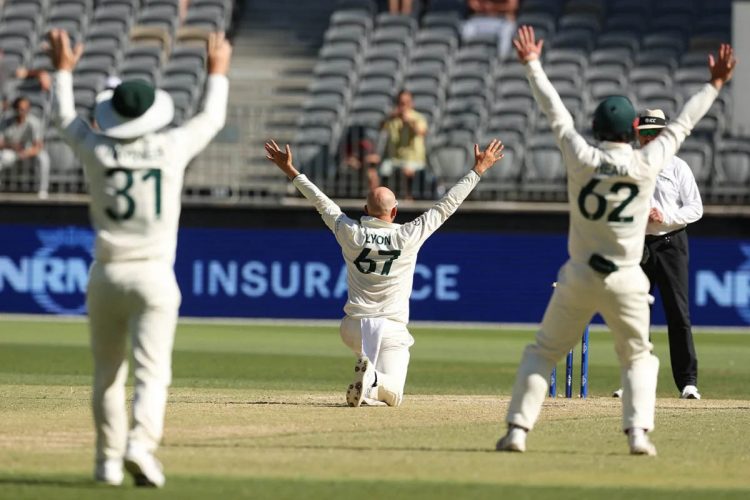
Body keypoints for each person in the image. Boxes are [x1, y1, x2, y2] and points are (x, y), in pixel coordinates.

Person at [495, 26, 735, 456]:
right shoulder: (648, 162)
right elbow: (683, 125)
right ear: (633, 133)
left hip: (581, 272)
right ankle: (638, 434)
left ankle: (517, 430)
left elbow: (555, 112)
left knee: (543, 351)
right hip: (627, 276)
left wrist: (532, 63)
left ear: (597, 129)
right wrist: (715, 84)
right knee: (639, 357)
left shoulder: (581, 157)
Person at [46, 28, 232, 486]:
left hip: (106, 274)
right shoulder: (170, 148)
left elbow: (63, 118)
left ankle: (106, 462)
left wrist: (63, 70)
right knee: (152, 374)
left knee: (108, 375)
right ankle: (139, 447)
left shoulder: (96, 149)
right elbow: (210, 117)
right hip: (153, 276)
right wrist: (217, 73)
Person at [264, 138, 504, 407]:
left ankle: (369, 384)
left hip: (352, 327)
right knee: (396, 393)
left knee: (376, 387)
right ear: (395, 211)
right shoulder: (408, 235)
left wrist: (291, 171)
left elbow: (322, 202)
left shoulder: (351, 233)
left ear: (366, 211)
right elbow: (446, 205)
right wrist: (478, 170)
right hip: (390, 328)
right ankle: (374, 378)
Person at [612, 109, 704, 400]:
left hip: (670, 244)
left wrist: (665, 216)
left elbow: (695, 209)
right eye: (645, 134)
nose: (650, 139)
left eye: (656, 134)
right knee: (636, 316)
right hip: (637, 245)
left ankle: (688, 382)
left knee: (678, 314)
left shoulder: (678, 167)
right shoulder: (629, 167)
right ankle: (633, 381)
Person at [379, 90, 428, 199]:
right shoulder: (393, 119)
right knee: (382, 170)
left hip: (413, 158)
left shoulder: (418, 117)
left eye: (406, 102)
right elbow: (380, 127)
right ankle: (383, 199)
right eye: (401, 102)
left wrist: (409, 122)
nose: (403, 105)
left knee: (408, 170)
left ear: (411, 103)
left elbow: (421, 132)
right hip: (394, 158)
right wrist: (389, 116)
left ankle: (408, 198)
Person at [0, 95, 51, 198]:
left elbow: (38, 145)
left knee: (44, 158)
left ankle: (43, 190)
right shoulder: (5, 121)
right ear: (15, 109)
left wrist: (27, 152)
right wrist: (13, 147)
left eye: (25, 109)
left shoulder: (34, 122)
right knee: (3, 158)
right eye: (20, 108)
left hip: (29, 150)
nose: (22, 111)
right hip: (11, 151)